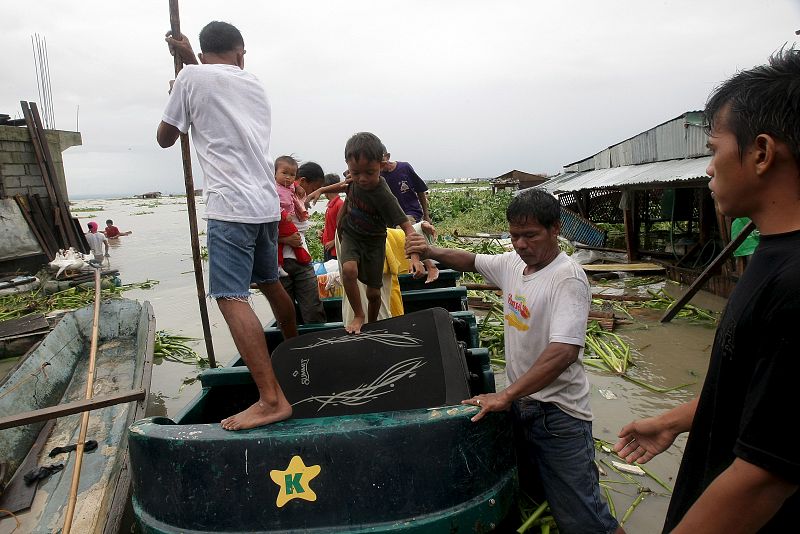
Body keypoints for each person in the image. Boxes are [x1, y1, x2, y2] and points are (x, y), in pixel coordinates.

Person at [614, 48, 800, 533]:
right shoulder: (774, 253)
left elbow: (764, 476)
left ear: (761, 153)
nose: (709, 168)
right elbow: (765, 398)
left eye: (713, 149)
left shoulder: (798, 281)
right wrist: (674, 420)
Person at [405, 189, 623, 534]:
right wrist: (429, 250)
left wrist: (505, 396)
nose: (520, 244)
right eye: (514, 235)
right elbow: (471, 260)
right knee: (534, 493)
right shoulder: (513, 264)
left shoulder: (566, 277)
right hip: (524, 406)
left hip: (559, 415)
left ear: (555, 229)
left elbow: (564, 351)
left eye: (530, 235)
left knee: (585, 520)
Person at [157, 21, 298, 430]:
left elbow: (166, 138)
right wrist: (188, 64)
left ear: (204, 52)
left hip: (230, 207)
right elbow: (214, 77)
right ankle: (293, 351)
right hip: (265, 205)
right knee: (270, 282)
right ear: (241, 53)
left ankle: (271, 399)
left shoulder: (190, 79)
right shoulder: (251, 82)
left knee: (230, 296)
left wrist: (175, 92)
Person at [338, 132, 425, 334]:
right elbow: (346, 187)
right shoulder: (355, 179)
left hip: (374, 242)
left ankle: (373, 322)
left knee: (374, 293)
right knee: (349, 271)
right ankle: (359, 315)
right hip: (351, 235)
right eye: (355, 172)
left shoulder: (383, 194)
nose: (362, 179)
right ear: (348, 166)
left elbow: (408, 228)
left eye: (370, 172)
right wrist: (318, 192)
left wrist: (415, 257)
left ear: (382, 165)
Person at [276, 160, 326, 324]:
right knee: (286, 312)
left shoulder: (297, 198)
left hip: (302, 261)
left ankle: (317, 344)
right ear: (303, 181)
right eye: (313, 189)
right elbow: (261, 231)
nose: (314, 194)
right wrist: (285, 239)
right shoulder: (276, 195)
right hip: (280, 263)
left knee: (313, 308)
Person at [380, 149, 431, 223]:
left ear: (387, 156)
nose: (380, 164)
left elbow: (420, 190)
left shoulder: (404, 168)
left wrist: (426, 215)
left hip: (411, 212)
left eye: (381, 159)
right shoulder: (378, 177)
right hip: (393, 217)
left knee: (402, 230)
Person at [321, 173, 343, 262]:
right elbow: (331, 225)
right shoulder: (330, 205)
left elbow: (344, 228)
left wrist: (334, 242)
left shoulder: (340, 204)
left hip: (335, 249)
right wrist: (323, 232)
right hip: (328, 247)